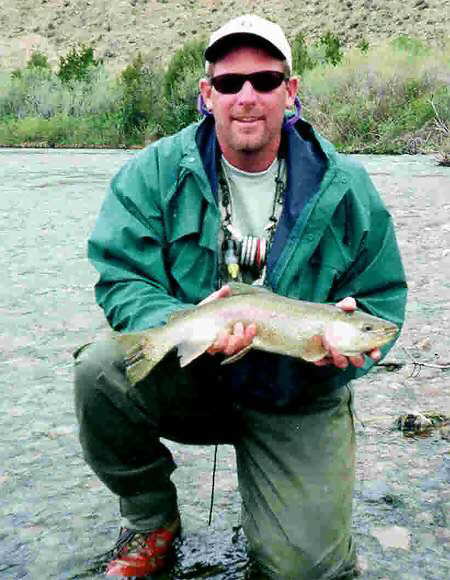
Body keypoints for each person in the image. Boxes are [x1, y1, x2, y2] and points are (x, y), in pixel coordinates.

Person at [74, 14, 407, 579]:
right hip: (196, 376)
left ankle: (280, 517)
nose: (247, 97)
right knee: (102, 371)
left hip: (295, 396)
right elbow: (122, 277)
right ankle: (152, 522)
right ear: (208, 95)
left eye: (265, 81)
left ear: (290, 91)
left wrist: (350, 354)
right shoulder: (153, 172)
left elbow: (381, 306)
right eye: (229, 84)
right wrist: (182, 322)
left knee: (308, 572)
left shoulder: (345, 186)